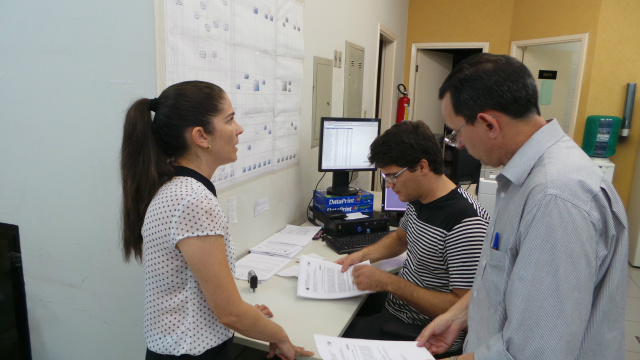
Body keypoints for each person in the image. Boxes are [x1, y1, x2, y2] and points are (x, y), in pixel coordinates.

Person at [416, 53, 628, 360]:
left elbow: (536, 349)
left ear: (489, 124)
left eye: (457, 131)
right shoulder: (523, 178)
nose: (458, 144)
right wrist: (461, 315)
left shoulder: (554, 196)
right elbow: (507, 278)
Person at [120, 81, 313, 359]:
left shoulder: (176, 187)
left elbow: (203, 292)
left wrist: (245, 314)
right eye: (230, 119)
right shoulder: (192, 200)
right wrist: (278, 335)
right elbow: (229, 313)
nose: (239, 129)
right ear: (201, 136)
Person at [336, 120, 489, 356]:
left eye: (393, 176)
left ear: (422, 166)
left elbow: (460, 309)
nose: (389, 186)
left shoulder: (467, 222)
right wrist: (362, 255)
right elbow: (400, 239)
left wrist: (389, 283)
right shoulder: (420, 198)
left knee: (329, 341)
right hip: (396, 314)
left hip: (423, 335)